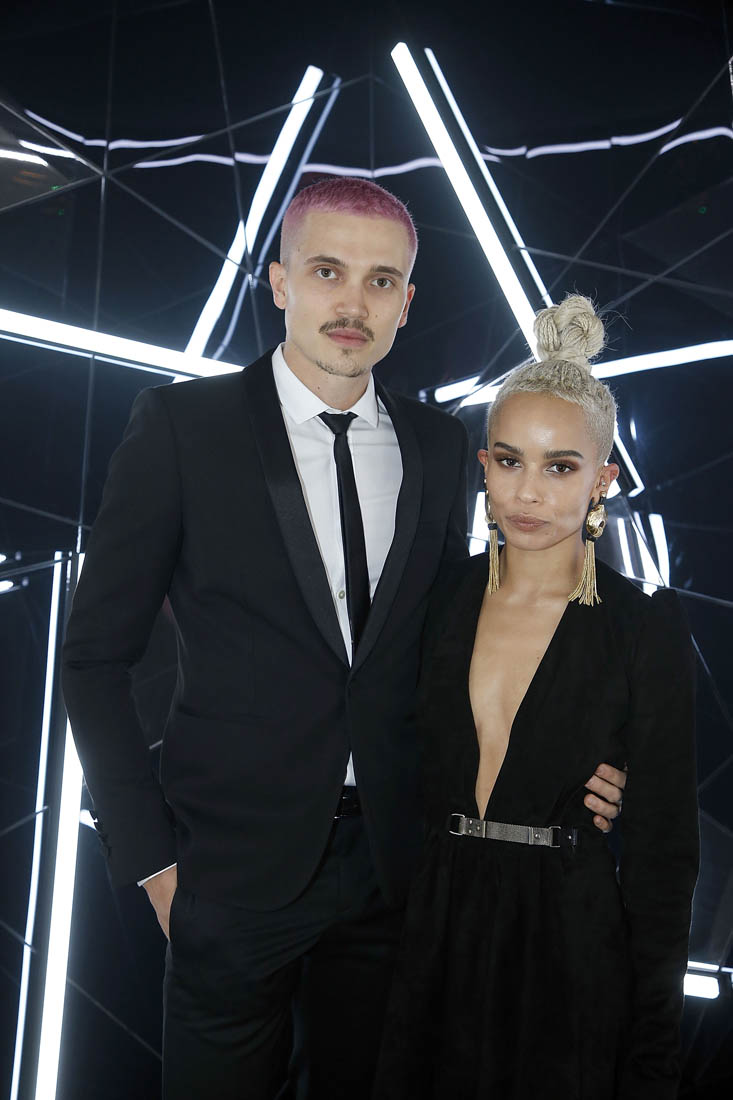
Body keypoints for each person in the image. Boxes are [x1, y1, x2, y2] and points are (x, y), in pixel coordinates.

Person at [61, 182, 625, 1100]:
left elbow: (460, 645)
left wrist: (581, 759)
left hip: (396, 871)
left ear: (407, 302)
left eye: (380, 280)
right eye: (328, 272)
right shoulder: (180, 429)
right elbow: (92, 658)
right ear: (281, 282)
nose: (353, 303)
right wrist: (152, 862)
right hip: (228, 875)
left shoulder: (440, 445)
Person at [374, 295, 699, 1100]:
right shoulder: (431, 601)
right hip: (426, 941)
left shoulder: (640, 627)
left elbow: (663, 863)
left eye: (560, 467)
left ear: (601, 481)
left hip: (568, 950)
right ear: (483, 467)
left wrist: (651, 1063)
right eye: (510, 461)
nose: (529, 491)